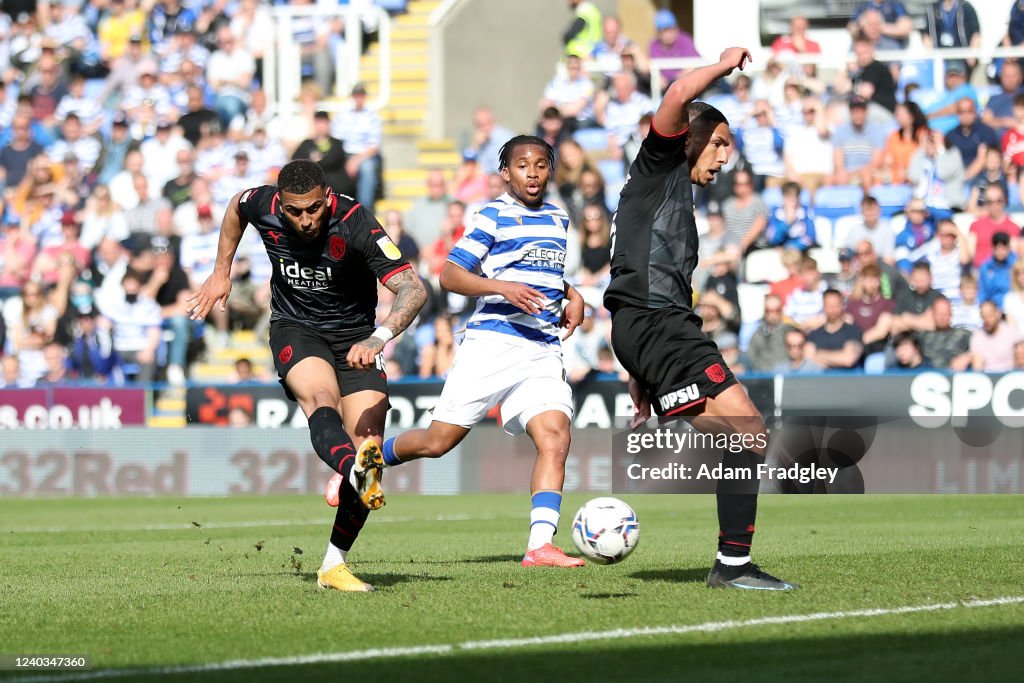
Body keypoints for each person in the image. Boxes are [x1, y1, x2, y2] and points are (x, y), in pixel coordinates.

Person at [603, 46, 797, 590]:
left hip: (652, 328)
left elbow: (631, 279)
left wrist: (640, 370)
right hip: (657, 325)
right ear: (688, 138)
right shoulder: (657, 164)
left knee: (742, 439)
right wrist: (722, 63)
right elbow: (676, 96)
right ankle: (733, 567)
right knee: (748, 434)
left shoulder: (665, 192)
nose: (724, 158)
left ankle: (732, 565)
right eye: (718, 144)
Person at [186, 159, 428, 592]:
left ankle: (333, 566)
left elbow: (413, 288)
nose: (305, 220)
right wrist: (221, 271)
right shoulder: (261, 203)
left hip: (357, 340)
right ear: (280, 203)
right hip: (296, 330)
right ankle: (352, 468)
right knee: (320, 399)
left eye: (313, 209)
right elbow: (235, 207)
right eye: (294, 211)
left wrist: (381, 336)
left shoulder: (357, 224)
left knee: (370, 447)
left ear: (327, 199)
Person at [378, 135, 587, 568]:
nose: (533, 173)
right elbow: (451, 275)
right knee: (438, 443)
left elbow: (541, 270)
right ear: (506, 173)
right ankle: (365, 463)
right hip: (492, 343)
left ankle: (540, 546)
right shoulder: (492, 215)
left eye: (541, 165)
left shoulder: (558, 218)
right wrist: (500, 287)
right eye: (522, 165)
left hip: (541, 347)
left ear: (550, 170)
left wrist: (573, 293)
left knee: (555, 438)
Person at [806, 289, 864, 370]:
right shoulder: (814, 335)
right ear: (823, 307)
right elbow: (808, 360)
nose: (832, 310)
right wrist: (838, 357)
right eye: (829, 306)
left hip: (848, 380)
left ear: (842, 306)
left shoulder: (853, 332)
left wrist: (820, 354)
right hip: (820, 380)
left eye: (835, 305)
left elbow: (848, 360)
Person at [924, 1, 981, 76]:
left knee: (956, 78)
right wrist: (930, 56)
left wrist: (972, 54)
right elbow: (926, 35)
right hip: (941, 58)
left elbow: (976, 33)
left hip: (962, 57)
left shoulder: (966, 7)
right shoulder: (932, 9)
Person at [971, 300, 1021, 372]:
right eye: (983, 316)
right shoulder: (977, 336)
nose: (987, 320)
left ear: (998, 314)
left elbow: (1020, 358)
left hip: (1010, 376)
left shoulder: (1011, 332)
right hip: (987, 377)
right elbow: (977, 366)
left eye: (989, 315)